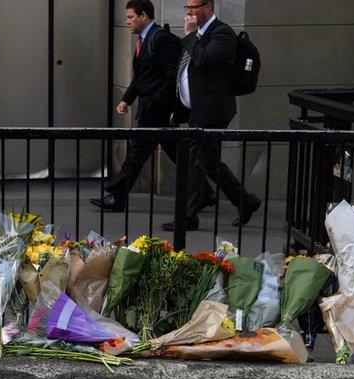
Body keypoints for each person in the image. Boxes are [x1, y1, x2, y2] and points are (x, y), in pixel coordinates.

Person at [163, 0, 260, 232]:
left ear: (209, 8)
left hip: (214, 110)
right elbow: (187, 74)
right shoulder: (198, 34)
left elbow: (204, 59)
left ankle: (189, 216)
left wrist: (188, 36)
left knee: (196, 160)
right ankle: (246, 201)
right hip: (199, 109)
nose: (189, 12)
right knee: (209, 162)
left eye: (194, 7)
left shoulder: (223, 33)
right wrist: (179, 109)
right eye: (187, 8)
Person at [92, 0, 182, 213]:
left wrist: (156, 102)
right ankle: (206, 193)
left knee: (136, 152)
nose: (127, 21)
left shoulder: (160, 38)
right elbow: (141, 77)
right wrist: (127, 99)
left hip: (156, 110)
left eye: (131, 17)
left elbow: (172, 77)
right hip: (152, 108)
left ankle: (117, 195)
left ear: (144, 16)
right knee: (178, 152)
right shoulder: (144, 39)